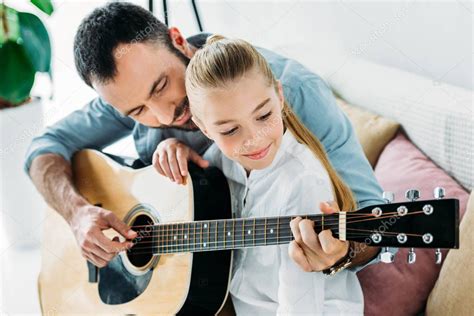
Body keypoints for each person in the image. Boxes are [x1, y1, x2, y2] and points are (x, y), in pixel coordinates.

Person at [25, 2, 392, 273]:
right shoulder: (130, 96)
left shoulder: (292, 93)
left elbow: (372, 223)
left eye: (162, 86)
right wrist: (76, 213)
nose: (164, 115)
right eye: (138, 112)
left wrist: (341, 254)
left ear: (178, 40)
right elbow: (44, 148)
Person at [175, 34, 362, 314]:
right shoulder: (214, 167)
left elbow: (301, 306)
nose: (253, 139)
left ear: (280, 95)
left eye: (263, 116)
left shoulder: (301, 181)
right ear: (203, 128)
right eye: (229, 130)